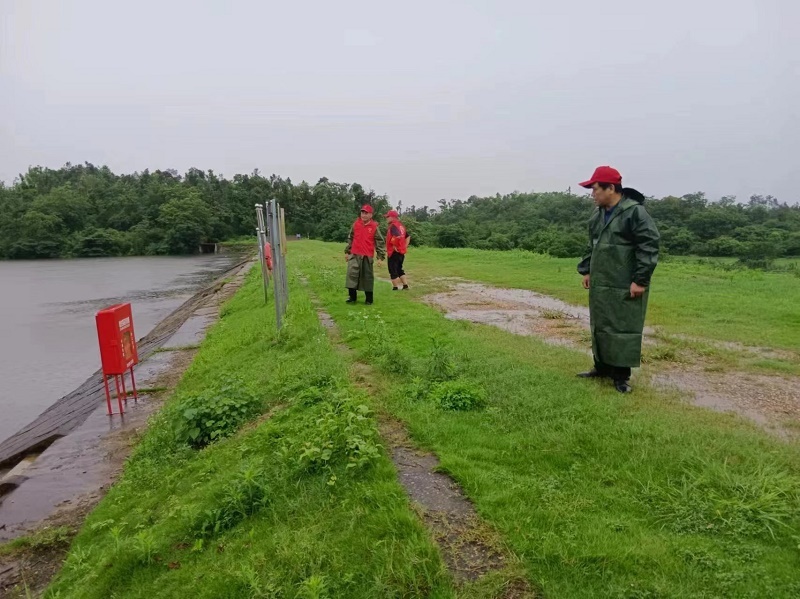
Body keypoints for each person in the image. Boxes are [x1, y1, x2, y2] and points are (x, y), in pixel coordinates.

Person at [576, 166, 660, 393]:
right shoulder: (597, 214)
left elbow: (648, 246)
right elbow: (591, 244)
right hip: (602, 280)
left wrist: (640, 280)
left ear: (610, 188)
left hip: (625, 281)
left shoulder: (635, 213)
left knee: (622, 326)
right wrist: (587, 270)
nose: (592, 194)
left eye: (595, 189)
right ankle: (601, 367)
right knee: (601, 323)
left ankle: (621, 377)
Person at [344, 205, 385, 305]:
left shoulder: (374, 227)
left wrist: (380, 257)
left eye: (366, 213)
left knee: (367, 277)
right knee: (351, 275)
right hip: (354, 254)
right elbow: (351, 238)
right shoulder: (356, 224)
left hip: (367, 256)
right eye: (362, 212)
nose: (364, 215)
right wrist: (347, 252)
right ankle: (352, 298)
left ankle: (369, 300)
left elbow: (379, 241)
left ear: (371, 215)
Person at [384, 209, 411, 290]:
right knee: (399, 269)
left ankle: (395, 288)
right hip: (401, 252)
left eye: (388, 217)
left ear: (393, 217)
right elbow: (408, 236)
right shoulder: (401, 226)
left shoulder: (393, 226)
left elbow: (397, 236)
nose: (386, 218)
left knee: (392, 269)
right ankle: (405, 285)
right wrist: (404, 246)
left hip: (393, 252)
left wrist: (394, 245)